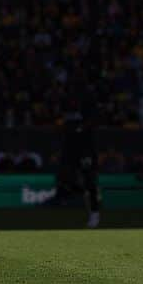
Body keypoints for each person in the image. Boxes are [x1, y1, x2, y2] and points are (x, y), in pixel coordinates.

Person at [56, 89, 101, 228]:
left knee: (90, 181)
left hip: (85, 150)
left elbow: (92, 123)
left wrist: (81, 128)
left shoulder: (88, 110)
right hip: (70, 149)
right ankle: (74, 197)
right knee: (65, 178)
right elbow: (62, 125)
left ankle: (94, 213)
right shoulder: (65, 110)